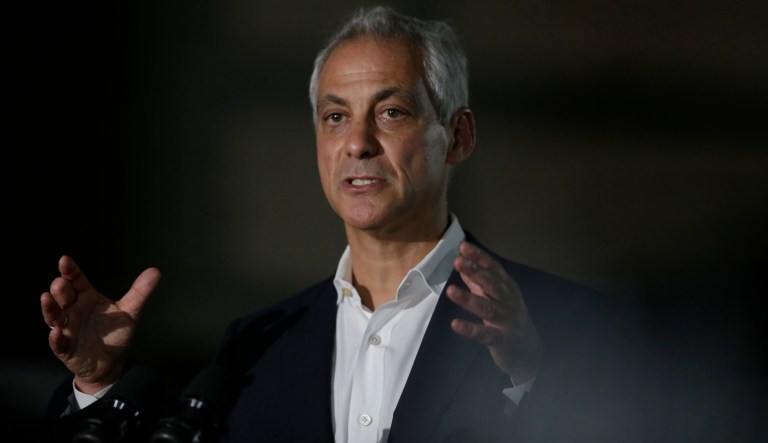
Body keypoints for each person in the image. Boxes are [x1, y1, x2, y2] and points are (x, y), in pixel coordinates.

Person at [40, 5, 641, 443]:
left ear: (457, 136)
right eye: (334, 116)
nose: (357, 142)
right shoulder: (258, 344)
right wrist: (98, 386)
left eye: (391, 112)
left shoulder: (569, 325)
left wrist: (530, 373)